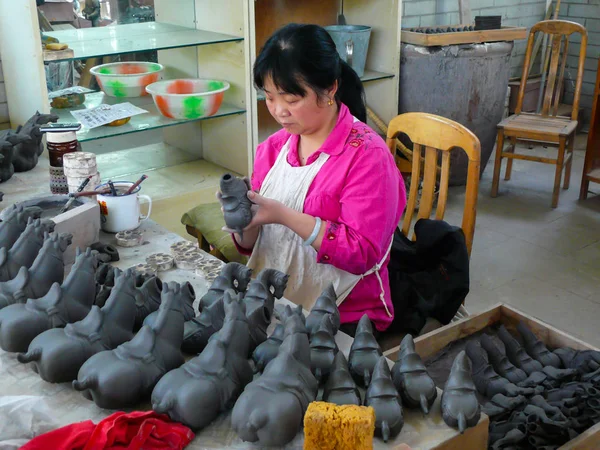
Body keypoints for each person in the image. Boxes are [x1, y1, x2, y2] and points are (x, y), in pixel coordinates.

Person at [219, 23, 406, 335]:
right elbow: (255, 248)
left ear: (330, 89)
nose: (279, 111)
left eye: (291, 99)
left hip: (345, 314)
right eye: (269, 97)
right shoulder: (274, 148)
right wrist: (245, 223)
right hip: (277, 298)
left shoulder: (367, 156)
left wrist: (283, 215)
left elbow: (362, 253)